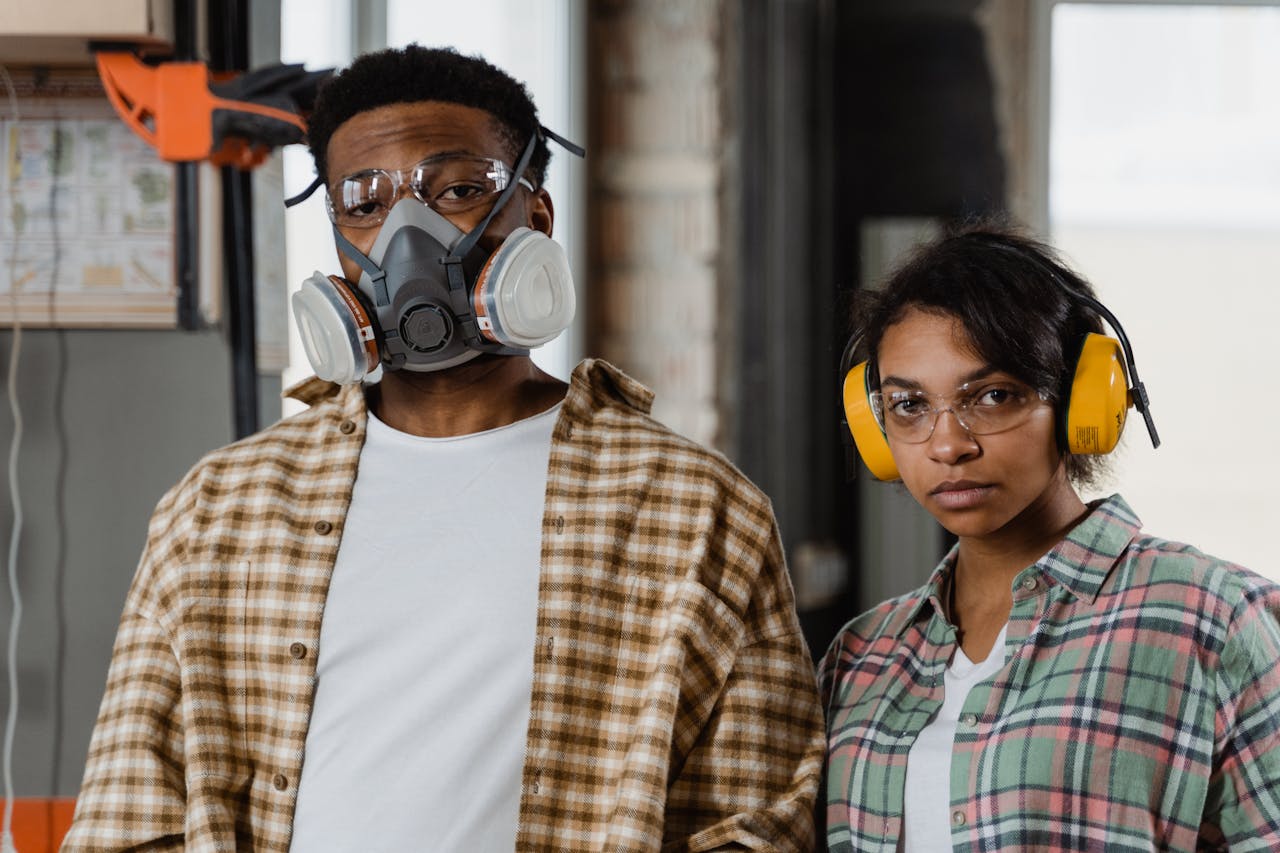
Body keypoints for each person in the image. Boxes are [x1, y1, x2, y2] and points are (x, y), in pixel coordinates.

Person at [64, 45, 824, 852]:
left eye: (458, 190)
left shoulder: (695, 509)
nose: (406, 236)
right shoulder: (216, 511)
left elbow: (758, 825)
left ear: (536, 216)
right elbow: (127, 821)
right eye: (364, 202)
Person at [821, 223, 1280, 851]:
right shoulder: (859, 657)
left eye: (993, 396)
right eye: (909, 405)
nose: (948, 445)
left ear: (1081, 405)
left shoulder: (1213, 619)